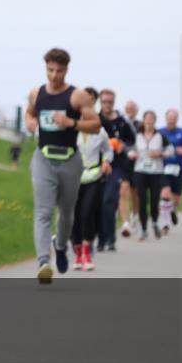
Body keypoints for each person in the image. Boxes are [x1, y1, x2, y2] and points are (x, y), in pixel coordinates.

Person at [24, 48, 100, 284]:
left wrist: (71, 122)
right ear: (45, 68)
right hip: (43, 158)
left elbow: (96, 125)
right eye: (50, 70)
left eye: (59, 71)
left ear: (66, 70)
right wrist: (31, 122)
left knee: (66, 213)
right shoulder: (36, 93)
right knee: (43, 212)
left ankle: (60, 246)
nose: (54, 75)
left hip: (69, 159)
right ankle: (43, 262)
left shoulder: (77, 96)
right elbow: (29, 113)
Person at [72, 88, 114, 271]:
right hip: (73, 177)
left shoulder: (100, 130)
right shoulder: (70, 128)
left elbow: (108, 150)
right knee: (74, 216)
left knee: (87, 213)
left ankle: (87, 252)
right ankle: (78, 252)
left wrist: (106, 162)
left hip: (94, 175)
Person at [96, 89, 135, 251]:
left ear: (114, 102)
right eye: (104, 101)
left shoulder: (122, 122)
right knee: (97, 203)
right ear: (100, 102)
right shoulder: (95, 120)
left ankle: (110, 239)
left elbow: (132, 140)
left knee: (109, 202)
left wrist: (122, 145)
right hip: (97, 165)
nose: (107, 105)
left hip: (116, 166)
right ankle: (100, 239)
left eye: (110, 102)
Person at [133, 110, 172, 241]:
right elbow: (130, 148)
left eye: (151, 119)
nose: (149, 121)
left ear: (154, 121)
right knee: (142, 200)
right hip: (140, 170)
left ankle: (154, 222)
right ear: (143, 120)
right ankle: (144, 229)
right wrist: (131, 154)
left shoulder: (160, 136)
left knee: (154, 200)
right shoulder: (137, 135)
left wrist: (160, 154)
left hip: (156, 171)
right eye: (147, 118)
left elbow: (170, 150)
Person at [159, 109, 182, 233]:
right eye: (170, 117)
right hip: (163, 168)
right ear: (166, 118)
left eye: (174, 117)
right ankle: (165, 223)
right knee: (165, 193)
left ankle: (172, 210)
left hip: (178, 169)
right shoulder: (160, 132)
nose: (172, 119)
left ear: (177, 119)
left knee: (176, 199)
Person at [121, 99, 141, 235]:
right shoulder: (121, 123)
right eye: (127, 108)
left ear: (136, 110)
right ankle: (125, 222)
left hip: (137, 162)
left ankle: (135, 215)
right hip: (123, 161)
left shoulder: (140, 125)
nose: (129, 110)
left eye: (131, 108)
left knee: (135, 192)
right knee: (123, 190)